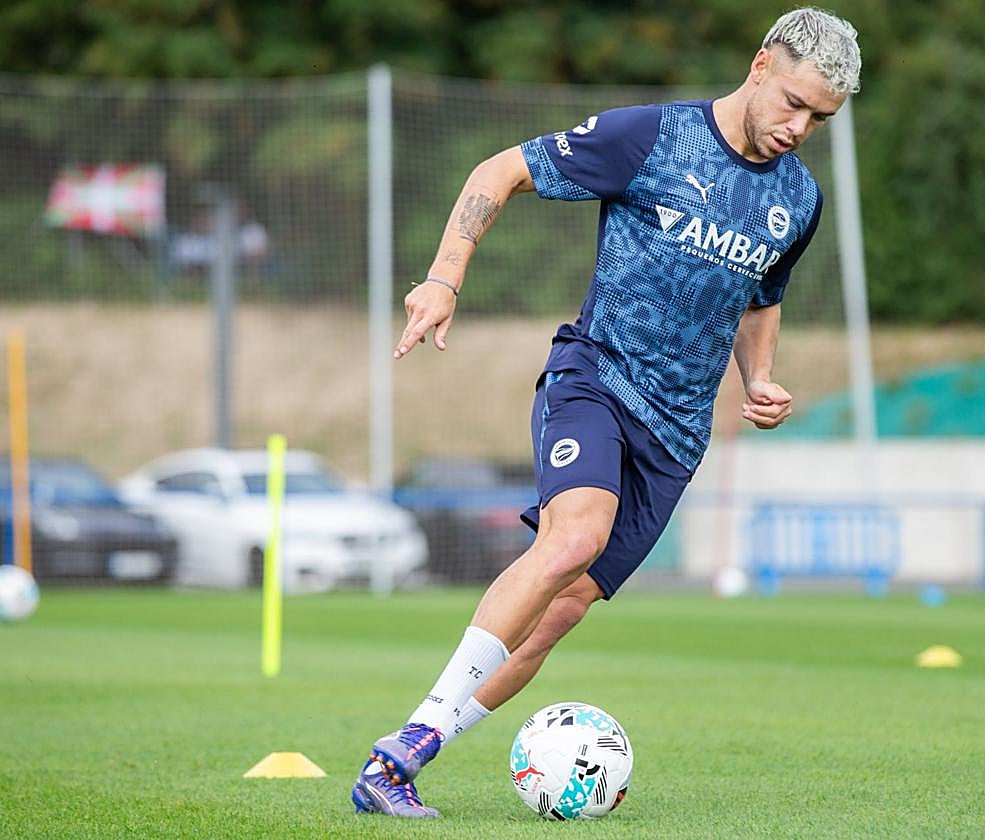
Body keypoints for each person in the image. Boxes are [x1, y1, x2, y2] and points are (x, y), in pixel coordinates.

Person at [351, 6, 862, 818]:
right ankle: (400, 751)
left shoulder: (798, 201)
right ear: (761, 64)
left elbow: (762, 294)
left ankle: (400, 764)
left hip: (678, 434)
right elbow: (498, 171)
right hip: (595, 376)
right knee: (575, 536)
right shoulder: (652, 137)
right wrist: (445, 278)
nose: (800, 127)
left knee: (558, 615)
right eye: (794, 102)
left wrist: (759, 376)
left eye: (820, 118)